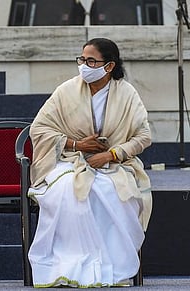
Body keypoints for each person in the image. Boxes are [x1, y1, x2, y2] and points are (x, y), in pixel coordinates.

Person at [27, 38, 152, 288]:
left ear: (108, 66)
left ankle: (109, 269)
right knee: (66, 190)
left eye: (91, 61)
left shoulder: (127, 93)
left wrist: (111, 154)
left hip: (114, 164)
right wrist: (77, 145)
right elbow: (39, 129)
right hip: (69, 161)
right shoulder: (67, 90)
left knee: (110, 191)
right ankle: (65, 266)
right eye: (82, 59)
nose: (84, 65)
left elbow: (143, 136)